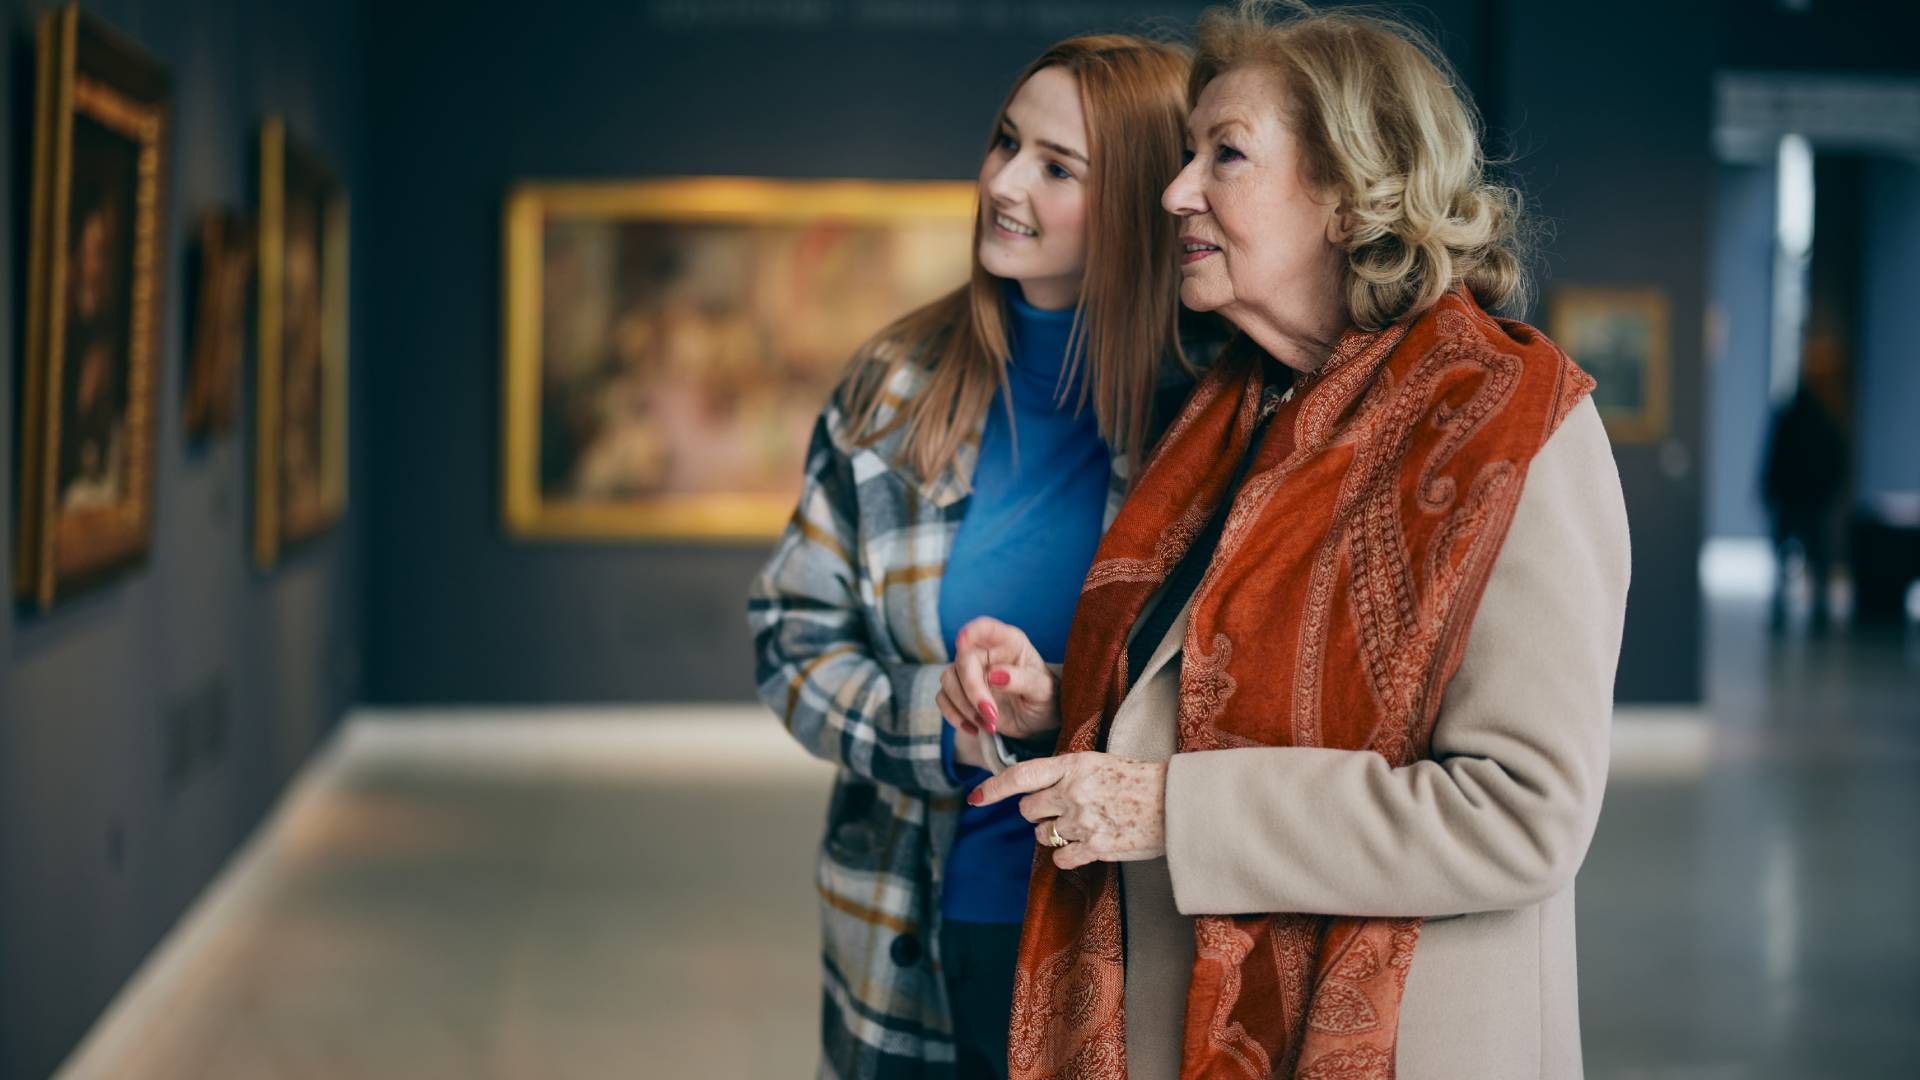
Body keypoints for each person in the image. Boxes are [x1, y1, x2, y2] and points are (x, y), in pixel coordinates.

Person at [952, 4, 1631, 1077]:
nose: (1176, 191)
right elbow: (1225, 687)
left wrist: (1174, 808)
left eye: (1224, 155)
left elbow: (1521, 816)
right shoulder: (1237, 411)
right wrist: (1064, 699)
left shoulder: (1517, 424)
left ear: (1354, 189)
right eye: (1186, 155)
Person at [748, 35, 1200, 1079]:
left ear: (1138, 197)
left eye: (1057, 166)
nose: (1001, 181)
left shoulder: (1215, 414)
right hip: (918, 928)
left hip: (1128, 938)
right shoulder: (893, 386)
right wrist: (940, 728)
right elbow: (791, 638)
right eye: (1006, 141)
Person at [1760, 383, 1847, 630]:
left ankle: (1785, 605)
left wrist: (1769, 490)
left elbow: (1773, 460)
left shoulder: (1790, 423)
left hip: (1797, 499)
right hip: (1810, 500)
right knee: (1816, 556)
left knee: (1789, 556)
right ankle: (1817, 609)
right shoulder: (1822, 424)